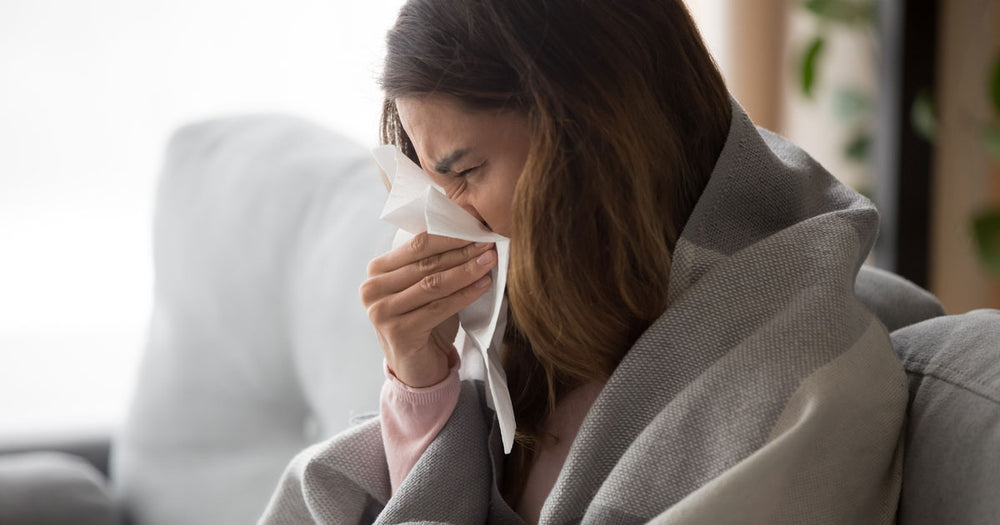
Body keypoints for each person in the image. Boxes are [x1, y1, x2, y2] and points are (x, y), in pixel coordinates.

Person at [260, 1, 908, 523]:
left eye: (465, 173)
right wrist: (423, 391)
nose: (445, 221)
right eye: (428, 185)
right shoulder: (529, 343)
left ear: (593, 135)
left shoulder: (798, 377)